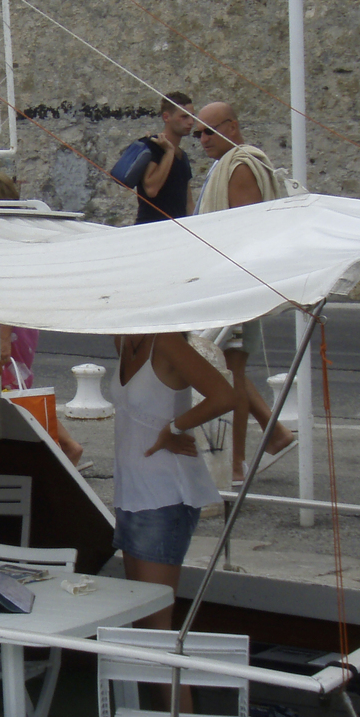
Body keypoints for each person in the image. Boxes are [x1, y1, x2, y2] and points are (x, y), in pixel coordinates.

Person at [193, 101, 298, 482]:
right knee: (226, 370)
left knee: (229, 373)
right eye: (197, 134)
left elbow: (243, 228)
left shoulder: (239, 166)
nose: (202, 139)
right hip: (226, 281)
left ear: (232, 126)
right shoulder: (227, 165)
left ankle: (235, 465)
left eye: (208, 131)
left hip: (233, 282)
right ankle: (275, 435)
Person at [109, 332, 236, 625]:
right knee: (137, 612)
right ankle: (140, 671)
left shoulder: (167, 343)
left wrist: (175, 428)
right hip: (129, 492)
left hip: (165, 494)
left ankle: (161, 670)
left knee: (154, 619)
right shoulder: (123, 340)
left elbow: (225, 396)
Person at [0, 170, 86, 467]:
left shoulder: (1, 241)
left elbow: (2, 288)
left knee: (10, 393)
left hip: (6, 324)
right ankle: (65, 446)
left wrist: (2, 338)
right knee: (18, 391)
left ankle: (65, 446)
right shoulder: (15, 235)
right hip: (14, 322)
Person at [131, 91, 196, 223]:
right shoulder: (153, 145)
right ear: (166, 117)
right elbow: (151, 189)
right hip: (151, 227)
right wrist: (169, 152)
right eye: (184, 117)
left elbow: (188, 202)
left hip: (177, 229)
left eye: (192, 116)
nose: (191, 122)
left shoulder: (182, 155)